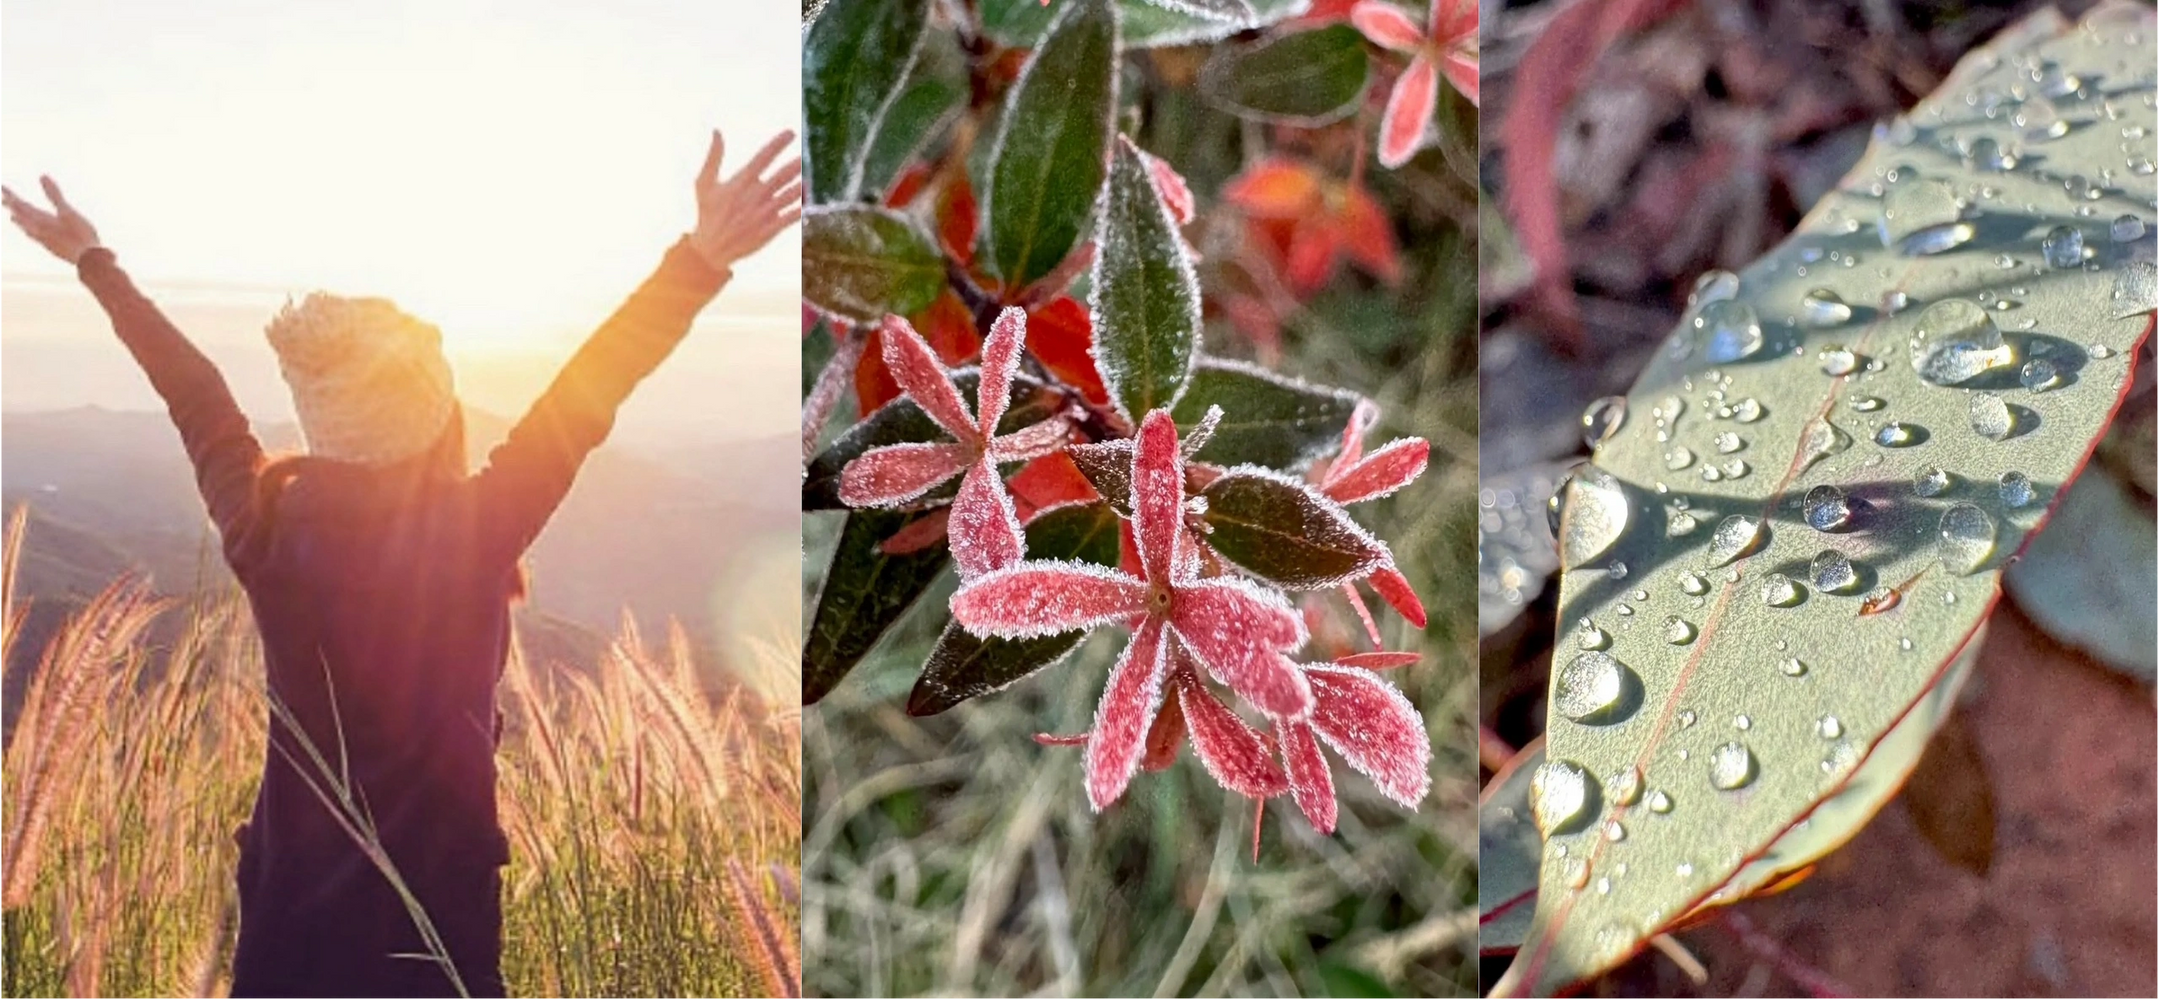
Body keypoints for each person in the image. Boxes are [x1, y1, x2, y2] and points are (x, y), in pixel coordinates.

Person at [0, 129, 800, 999]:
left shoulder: (264, 530)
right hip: (436, 933)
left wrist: (91, 259)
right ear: (432, 412)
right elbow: (588, 391)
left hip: (286, 930)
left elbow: (194, 395)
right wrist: (699, 259)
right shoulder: (475, 529)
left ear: (313, 421)